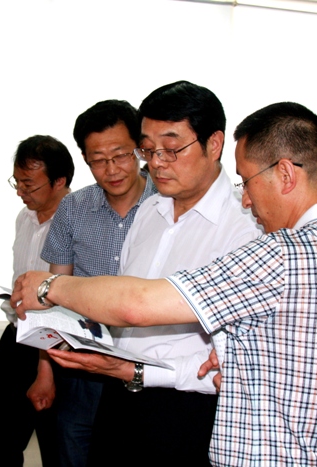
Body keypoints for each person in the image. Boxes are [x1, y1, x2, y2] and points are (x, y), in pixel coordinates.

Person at [11, 102, 317, 466]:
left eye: (248, 181)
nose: (246, 200)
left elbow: (138, 304)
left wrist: (48, 286)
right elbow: (233, 373)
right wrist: (132, 370)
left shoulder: (282, 255)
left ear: (285, 174)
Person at [46, 81, 259, 466]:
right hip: (119, 393)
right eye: (148, 149)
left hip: (189, 409)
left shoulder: (243, 228)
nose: (157, 162)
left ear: (214, 144)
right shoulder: (149, 212)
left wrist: (51, 287)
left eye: (171, 149)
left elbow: (236, 361)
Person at [31, 99, 156, 466]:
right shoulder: (73, 208)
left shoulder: (166, 204)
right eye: (98, 160)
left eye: (121, 155)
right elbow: (53, 295)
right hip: (83, 365)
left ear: (139, 149)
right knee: (75, 448)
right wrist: (44, 368)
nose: (111, 170)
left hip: (146, 361)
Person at [0, 135, 74, 467]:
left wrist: (44, 367)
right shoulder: (25, 217)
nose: (21, 191)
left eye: (29, 184)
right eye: (17, 182)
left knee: (56, 445)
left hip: (58, 346)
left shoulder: (79, 223)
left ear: (59, 181)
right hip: (17, 337)